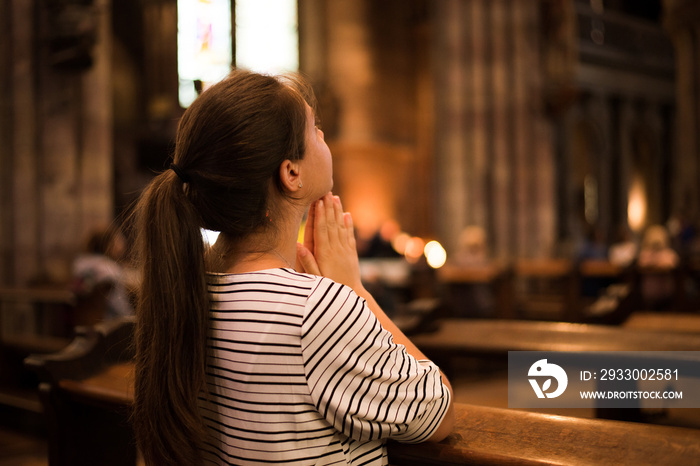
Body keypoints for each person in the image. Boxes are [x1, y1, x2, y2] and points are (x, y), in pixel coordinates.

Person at [132, 69, 454, 465]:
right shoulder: (315, 311)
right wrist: (355, 291)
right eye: (315, 129)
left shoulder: (190, 285)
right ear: (291, 173)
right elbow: (438, 410)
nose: (324, 137)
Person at [71, 225, 134, 321]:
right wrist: (132, 319)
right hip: (109, 325)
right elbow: (120, 308)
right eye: (118, 239)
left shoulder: (80, 265)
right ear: (109, 244)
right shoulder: (109, 269)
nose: (122, 243)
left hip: (83, 322)